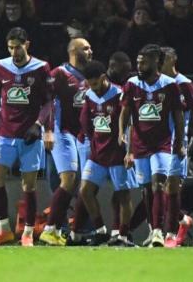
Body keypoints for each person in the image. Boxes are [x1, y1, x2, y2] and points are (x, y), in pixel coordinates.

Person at [0, 27, 53, 247]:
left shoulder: (41, 67)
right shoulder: (1, 67)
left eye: (17, 47)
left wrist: (40, 126)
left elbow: (48, 101)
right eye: (10, 47)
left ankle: (27, 233)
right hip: (5, 135)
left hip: (30, 136)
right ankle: (5, 230)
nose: (14, 52)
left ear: (26, 44)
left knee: (28, 185)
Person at [120, 44, 184, 247]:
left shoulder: (169, 85)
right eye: (138, 62)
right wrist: (124, 138)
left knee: (159, 183)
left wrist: (180, 143)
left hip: (162, 144)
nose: (140, 66)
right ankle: (152, 229)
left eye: (144, 62)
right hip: (139, 146)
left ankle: (159, 231)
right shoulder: (131, 84)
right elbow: (126, 113)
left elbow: (178, 116)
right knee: (146, 189)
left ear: (156, 61)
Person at [74, 60, 136, 247]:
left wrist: (130, 150)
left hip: (117, 153)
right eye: (89, 84)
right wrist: (92, 141)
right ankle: (101, 230)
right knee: (85, 190)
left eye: (94, 83)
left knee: (123, 196)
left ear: (103, 78)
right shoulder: (89, 96)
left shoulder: (119, 94)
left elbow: (131, 123)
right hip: (98, 154)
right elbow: (86, 122)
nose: (92, 87)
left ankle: (123, 236)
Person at [40, 38, 92, 246]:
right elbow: (46, 102)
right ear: (73, 50)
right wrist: (48, 131)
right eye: (86, 48)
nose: (91, 51)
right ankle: (52, 228)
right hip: (63, 132)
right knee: (67, 179)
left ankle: (78, 231)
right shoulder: (59, 74)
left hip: (84, 136)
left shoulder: (91, 76)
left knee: (86, 184)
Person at [159, 47, 193, 248]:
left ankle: (169, 234)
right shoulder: (156, 83)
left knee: (171, 186)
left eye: (165, 58)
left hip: (178, 142)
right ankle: (180, 220)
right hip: (156, 142)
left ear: (174, 59)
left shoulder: (184, 83)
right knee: (156, 188)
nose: (161, 62)